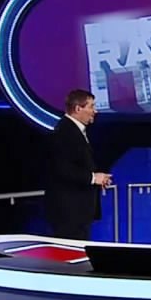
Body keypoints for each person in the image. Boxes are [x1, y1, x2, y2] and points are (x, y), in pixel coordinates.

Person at [45, 89, 113, 240]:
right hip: (69, 212)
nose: (95, 111)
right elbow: (62, 169)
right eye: (91, 106)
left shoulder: (75, 130)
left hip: (78, 212)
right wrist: (93, 178)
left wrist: (97, 178)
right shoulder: (64, 132)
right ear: (78, 109)